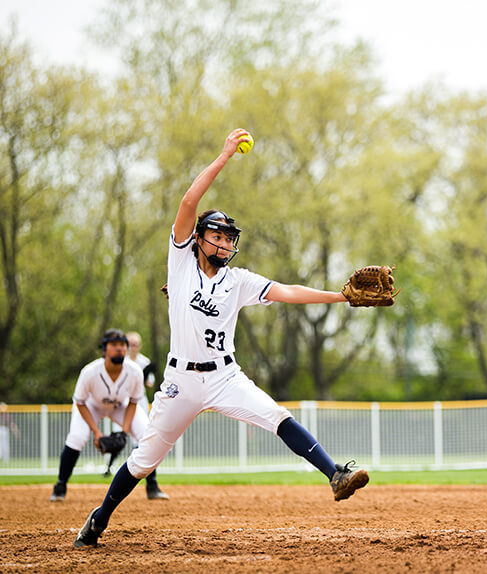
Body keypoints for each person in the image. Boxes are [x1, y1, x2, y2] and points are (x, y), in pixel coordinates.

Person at [74, 129, 369, 548]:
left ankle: (335, 473)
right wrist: (226, 154)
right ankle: (99, 519)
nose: (224, 242)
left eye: (229, 238)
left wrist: (340, 297)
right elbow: (188, 203)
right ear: (198, 238)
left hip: (225, 376)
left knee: (276, 416)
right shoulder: (180, 263)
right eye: (217, 235)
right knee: (143, 461)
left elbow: (287, 291)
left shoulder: (239, 281)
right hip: (179, 382)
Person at [51, 329, 169, 502]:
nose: (119, 349)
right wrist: (96, 432)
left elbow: (133, 402)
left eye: (122, 345)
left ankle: (152, 486)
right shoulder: (90, 371)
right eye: (114, 345)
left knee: (146, 435)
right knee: (77, 437)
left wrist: (124, 431)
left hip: (120, 405)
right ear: (104, 349)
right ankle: (60, 486)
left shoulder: (134, 371)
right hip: (92, 406)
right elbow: (80, 402)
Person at [126, 331, 157, 414]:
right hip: (124, 399)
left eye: (136, 345)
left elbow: (150, 383)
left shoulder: (145, 362)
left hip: (140, 399)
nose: (133, 348)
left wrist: (145, 375)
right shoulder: (121, 361)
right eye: (131, 345)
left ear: (140, 346)